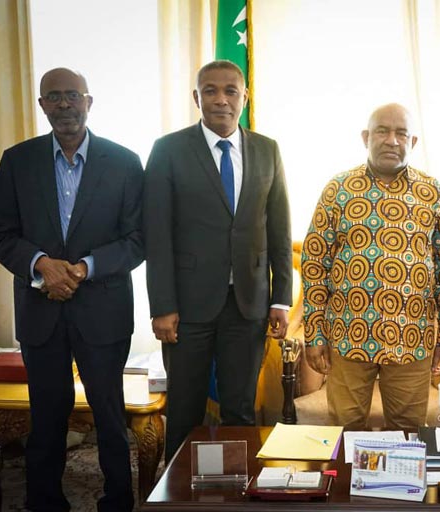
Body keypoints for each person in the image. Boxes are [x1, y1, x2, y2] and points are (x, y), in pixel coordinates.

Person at [0, 68, 143, 511]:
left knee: (110, 416)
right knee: (46, 417)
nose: (64, 104)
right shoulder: (16, 161)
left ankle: (118, 501)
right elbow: (2, 234)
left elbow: (137, 240)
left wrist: (82, 269)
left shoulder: (124, 162)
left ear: (89, 102)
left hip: (103, 310)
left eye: (73, 96)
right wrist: (42, 266)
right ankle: (45, 502)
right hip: (40, 312)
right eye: (54, 97)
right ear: (42, 105)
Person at [143, 60, 293, 463]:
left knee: (240, 410)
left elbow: (279, 231)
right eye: (210, 90)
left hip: (248, 305)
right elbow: (157, 235)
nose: (221, 99)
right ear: (197, 98)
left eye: (231, 90)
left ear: (245, 97)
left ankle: (236, 489)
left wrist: (280, 299)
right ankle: (177, 491)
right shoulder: (168, 150)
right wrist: (162, 306)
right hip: (186, 308)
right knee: (184, 410)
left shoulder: (267, 149)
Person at [302, 103, 440, 430]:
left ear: (413, 142)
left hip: (411, 339)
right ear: (366, 137)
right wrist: (314, 333)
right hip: (348, 336)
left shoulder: (432, 192)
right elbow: (315, 263)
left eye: (401, 133)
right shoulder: (338, 189)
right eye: (382, 131)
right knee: (344, 431)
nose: (392, 140)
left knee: (408, 435)